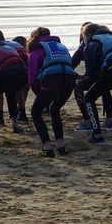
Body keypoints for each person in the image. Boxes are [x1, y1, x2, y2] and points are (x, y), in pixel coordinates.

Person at [26, 26, 77, 157]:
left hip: (51, 83)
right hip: (69, 83)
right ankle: (61, 145)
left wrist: (40, 94)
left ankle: (47, 147)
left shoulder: (36, 52)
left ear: (34, 38)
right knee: (54, 110)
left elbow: (32, 80)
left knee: (36, 113)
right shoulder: (61, 47)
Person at [72, 21, 112, 131]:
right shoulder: (107, 39)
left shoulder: (87, 44)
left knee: (78, 87)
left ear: (86, 34)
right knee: (105, 88)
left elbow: (72, 63)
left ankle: (87, 121)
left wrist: (78, 76)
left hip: (101, 75)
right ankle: (109, 120)